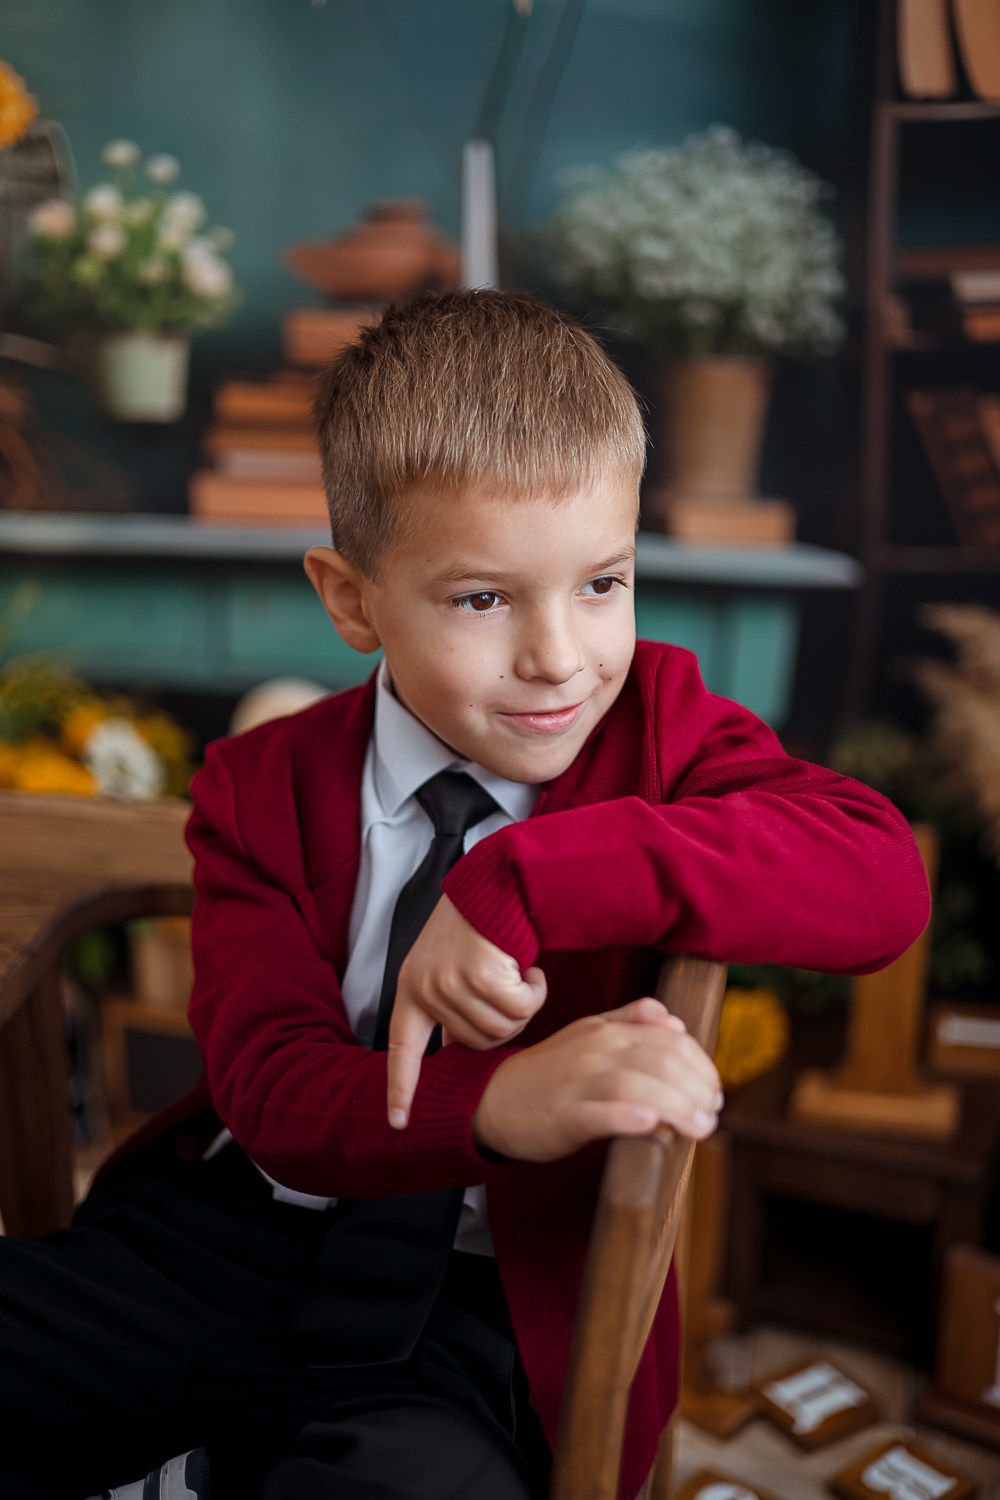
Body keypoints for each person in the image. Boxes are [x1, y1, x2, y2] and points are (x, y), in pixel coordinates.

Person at [0, 290, 929, 1500]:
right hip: (217, 1247)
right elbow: (273, 1089)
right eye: (483, 599)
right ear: (350, 601)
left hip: (471, 1316)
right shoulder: (260, 783)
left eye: (603, 582)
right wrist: (503, 1098)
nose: (558, 655)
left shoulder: (657, 723)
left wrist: (525, 869)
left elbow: (876, 874)